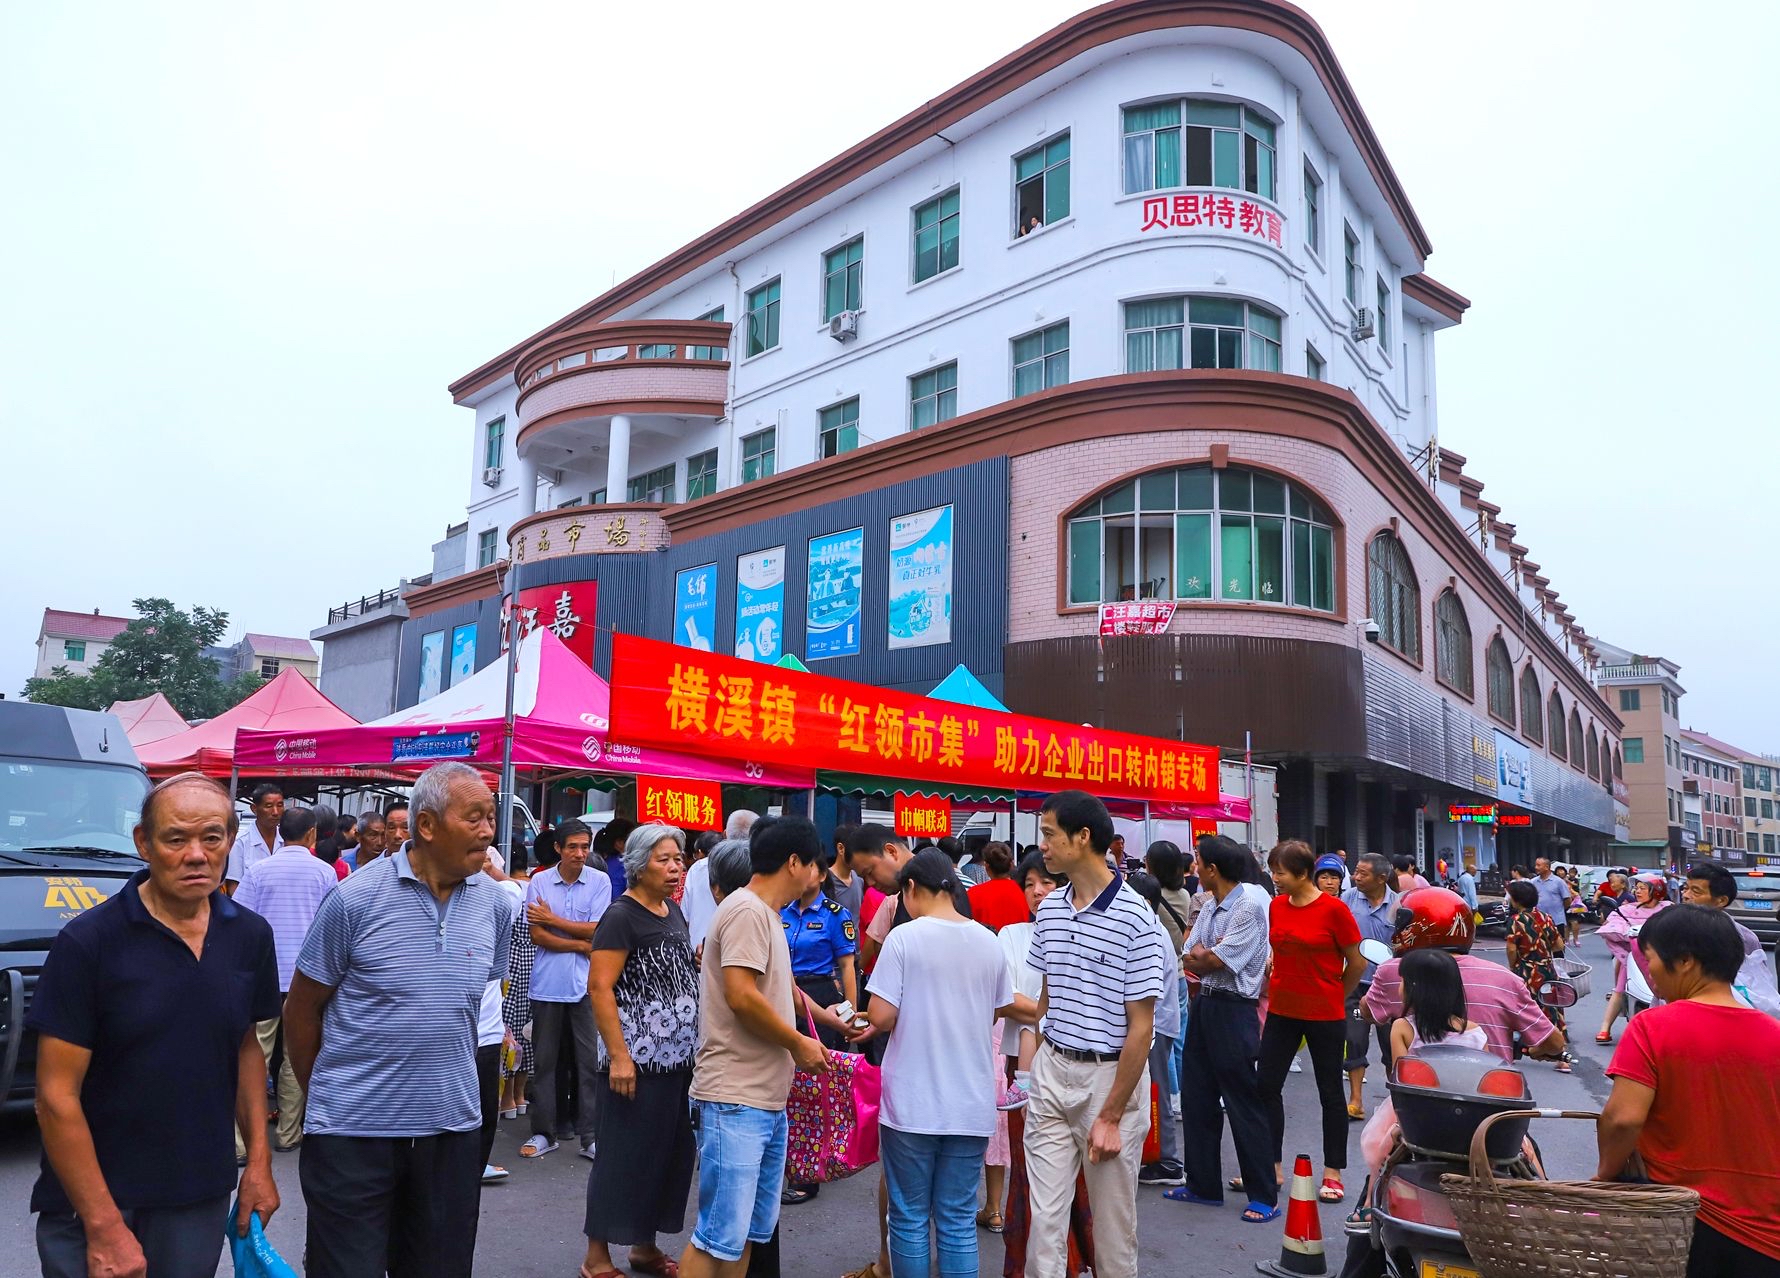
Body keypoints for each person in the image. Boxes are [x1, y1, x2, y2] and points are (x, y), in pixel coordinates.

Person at [30, 773, 280, 1278]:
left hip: (197, 1196)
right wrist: (102, 1226)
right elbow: (55, 1095)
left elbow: (245, 1047)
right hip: (96, 1200)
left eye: (212, 837)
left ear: (231, 840)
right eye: (175, 839)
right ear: (143, 843)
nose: (196, 854)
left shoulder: (249, 936)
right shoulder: (89, 942)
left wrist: (258, 1163)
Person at [283, 762, 513, 1278]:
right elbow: (301, 1009)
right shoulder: (354, 900)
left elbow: (465, 1007)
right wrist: (330, 1091)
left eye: (490, 817)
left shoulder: (497, 906)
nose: (487, 831)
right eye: (473, 817)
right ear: (427, 826)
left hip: (450, 1132)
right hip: (352, 1136)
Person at [1024, 791, 1167, 1278]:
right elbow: (1047, 998)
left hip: (1110, 1083)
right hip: (1052, 1072)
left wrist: (1109, 1115)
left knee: (1111, 1232)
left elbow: (1142, 1028)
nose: (1041, 845)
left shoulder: (1137, 920)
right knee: (1043, 1224)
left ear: (1083, 838)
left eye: (1049, 834)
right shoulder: (1049, 912)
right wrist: (1034, 1068)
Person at [680, 816, 832, 1278]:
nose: (816, 874)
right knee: (717, 1237)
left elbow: (777, 991)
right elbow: (742, 996)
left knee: (746, 1233)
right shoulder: (747, 911)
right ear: (794, 863)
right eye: (813, 864)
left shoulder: (764, 913)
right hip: (734, 1097)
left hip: (762, 1097)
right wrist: (798, 1043)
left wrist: (828, 1022)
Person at [1597, 905, 1780, 1277]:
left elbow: (1622, 1119)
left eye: (1649, 960)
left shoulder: (1653, 1027)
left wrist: (1604, 1177)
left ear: (1684, 961)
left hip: (1678, 1224)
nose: (1649, 974)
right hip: (1769, 1233)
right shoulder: (1775, 1034)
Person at [868, 849, 1021, 1278]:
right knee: (956, 1221)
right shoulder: (989, 942)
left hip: (913, 1104)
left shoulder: (904, 938)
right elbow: (993, 1014)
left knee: (910, 1215)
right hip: (970, 1105)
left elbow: (881, 1016)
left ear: (911, 889)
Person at [583, 825, 699, 1278]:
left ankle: (643, 1247)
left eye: (678, 858)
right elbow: (600, 987)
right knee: (621, 1159)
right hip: (635, 1064)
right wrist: (620, 1056)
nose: (675, 868)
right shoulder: (621, 915)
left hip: (677, 1063)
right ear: (637, 864)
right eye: (664, 859)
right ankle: (596, 1257)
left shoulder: (671, 910)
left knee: (663, 1158)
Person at [999, 853, 1097, 1278]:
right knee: (1030, 1175)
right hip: (1021, 1071)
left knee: (1078, 1178)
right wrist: (1050, 1011)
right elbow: (1004, 998)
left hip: (1077, 1067)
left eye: (1047, 883)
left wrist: (1039, 1012)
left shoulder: (1086, 931)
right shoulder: (1012, 935)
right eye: (1030, 883)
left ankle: (1079, 1260)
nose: (1037, 892)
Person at [1169, 834, 1277, 1221]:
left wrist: (1203, 956)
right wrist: (1201, 956)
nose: (1194, 867)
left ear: (1212, 869)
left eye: (1198, 861)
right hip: (1206, 1006)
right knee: (1198, 1095)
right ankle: (1202, 1184)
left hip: (1235, 1010)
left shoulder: (1248, 906)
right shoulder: (1213, 903)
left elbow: (1214, 960)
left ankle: (1263, 1193)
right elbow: (1189, 951)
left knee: (1241, 1100)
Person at [1256, 839, 1363, 1202]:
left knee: (1330, 1093)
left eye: (1280, 872)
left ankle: (1333, 1171)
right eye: (1273, 871)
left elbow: (1357, 963)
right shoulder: (1276, 906)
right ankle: (1270, 1165)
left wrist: (1335, 992)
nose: (1275, 878)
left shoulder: (1334, 910)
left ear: (1303, 874)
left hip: (1325, 1015)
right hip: (1282, 1011)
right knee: (1266, 1086)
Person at [233, 804, 339, 1153]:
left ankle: (239, 1141)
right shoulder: (324, 873)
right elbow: (330, 927)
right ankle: (289, 1133)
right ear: (311, 834)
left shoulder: (259, 871)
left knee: (253, 1056)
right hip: (305, 980)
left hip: (263, 977)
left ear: (281, 833)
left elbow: (241, 920)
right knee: (295, 1055)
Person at [1362, 887, 1565, 1065]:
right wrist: (1538, 1050)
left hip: (1421, 1097)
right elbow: (1554, 1042)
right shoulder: (1506, 979)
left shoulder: (1393, 971)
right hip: (1492, 1096)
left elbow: (1369, 1012)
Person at [521, 817, 612, 1159]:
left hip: (588, 986)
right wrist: (579, 942)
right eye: (572, 847)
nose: (579, 853)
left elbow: (599, 931)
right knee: (544, 1064)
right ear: (558, 848)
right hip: (548, 984)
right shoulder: (540, 881)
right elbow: (537, 935)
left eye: (585, 847)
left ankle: (591, 1136)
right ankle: (544, 1132)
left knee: (589, 1063)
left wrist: (556, 922)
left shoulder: (599, 881)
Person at [1357, 948, 1488, 1182]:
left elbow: (1401, 1081)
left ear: (1414, 988)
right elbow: (1486, 1081)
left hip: (1418, 1116)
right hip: (1470, 1119)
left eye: (1402, 981)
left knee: (1383, 1158)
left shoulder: (1404, 1028)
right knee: (1524, 1151)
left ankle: (1368, 1205)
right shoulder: (1476, 1032)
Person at [779, 846, 859, 1205]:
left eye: (811, 867)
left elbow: (847, 968)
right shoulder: (778, 910)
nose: (804, 872)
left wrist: (850, 1014)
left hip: (820, 997)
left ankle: (813, 1167)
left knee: (815, 1084)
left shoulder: (834, 915)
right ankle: (787, 1154)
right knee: (784, 1078)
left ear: (822, 875)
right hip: (782, 993)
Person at [1125, 872, 1186, 1188]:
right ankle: (1157, 1156)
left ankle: (1169, 1161)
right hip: (1156, 1022)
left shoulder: (1148, 929)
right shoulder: (1152, 926)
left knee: (1156, 1091)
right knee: (1151, 1089)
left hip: (1155, 1025)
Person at [1340, 853, 1398, 1121]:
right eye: (1356, 872)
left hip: (1389, 989)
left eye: (1363, 873)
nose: (1356, 877)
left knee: (1392, 1045)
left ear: (1381, 878)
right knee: (1354, 1039)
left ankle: (1396, 1102)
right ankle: (1355, 1100)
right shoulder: (1349, 899)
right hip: (1355, 984)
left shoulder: (1399, 905)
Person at [1682, 863, 1780, 1018]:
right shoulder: (1670, 930)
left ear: (1721, 901)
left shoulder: (1745, 939)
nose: (1686, 895)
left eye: (1696, 891)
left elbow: (1760, 990)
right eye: (1685, 888)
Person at [1504, 880, 1573, 1072]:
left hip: (1526, 970)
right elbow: (1559, 945)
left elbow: (1511, 948)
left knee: (1520, 1008)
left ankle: (1512, 1050)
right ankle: (1562, 1057)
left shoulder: (1516, 921)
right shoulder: (1546, 918)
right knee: (1553, 1010)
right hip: (1547, 969)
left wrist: (1514, 966)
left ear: (1517, 900)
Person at [1597, 872, 1672, 1044]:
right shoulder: (1625, 910)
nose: (1637, 891)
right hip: (1633, 957)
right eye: (1636, 888)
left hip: (1663, 958)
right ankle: (1605, 1028)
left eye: (1643, 888)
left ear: (1656, 891)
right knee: (1619, 989)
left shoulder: (1668, 909)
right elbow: (1610, 926)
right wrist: (1624, 932)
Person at [500, 843, 539, 1120]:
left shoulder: (507, 890)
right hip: (536, 962)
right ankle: (520, 1096)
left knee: (508, 1030)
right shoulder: (537, 887)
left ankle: (505, 1098)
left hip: (511, 963)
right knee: (528, 1030)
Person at [224, 782, 285, 892]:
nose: (276, 812)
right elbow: (234, 888)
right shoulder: (240, 843)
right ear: (254, 809)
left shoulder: (286, 840)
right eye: (269, 806)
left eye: (280, 806)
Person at [968, 841, 1030, 933]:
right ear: (1011, 864)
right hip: (1019, 946)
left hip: (986, 945)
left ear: (986, 866)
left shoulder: (973, 894)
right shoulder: (1025, 892)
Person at [1531, 857, 1570, 929]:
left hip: (1557, 921)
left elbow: (1567, 900)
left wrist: (1559, 910)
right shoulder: (1533, 882)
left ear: (1547, 867)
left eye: (1538, 865)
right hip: (1539, 921)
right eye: (1535, 865)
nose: (1536, 867)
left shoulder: (1559, 882)